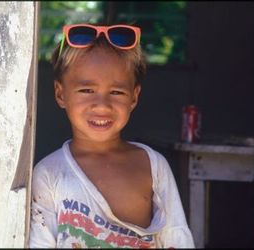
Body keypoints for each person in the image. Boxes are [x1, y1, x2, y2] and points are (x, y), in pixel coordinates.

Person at [29, 23, 195, 248]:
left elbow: (177, 239)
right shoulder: (49, 174)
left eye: (116, 92)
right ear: (60, 94)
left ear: (134, 98)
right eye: (87, 90)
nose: (102, 105)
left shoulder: (153, 166)